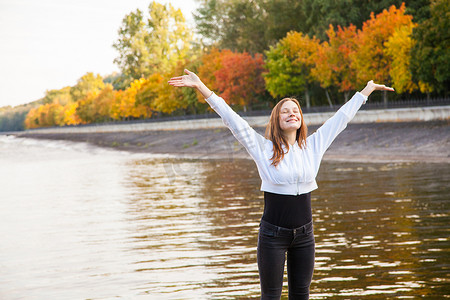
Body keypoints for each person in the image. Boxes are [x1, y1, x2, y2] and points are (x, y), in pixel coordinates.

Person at [168, 69, 394, 299]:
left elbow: (341, 118)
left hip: (305, 236)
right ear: (276, 119)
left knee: (301, 294)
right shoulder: (263, 148)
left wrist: (366, 90)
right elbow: (231, 119)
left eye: (295, 110)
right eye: (285, 111)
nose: (292, 113)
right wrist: (201, 87)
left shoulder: (313, 146)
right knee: (271, 295)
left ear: (301, 119)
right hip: (272, 236)